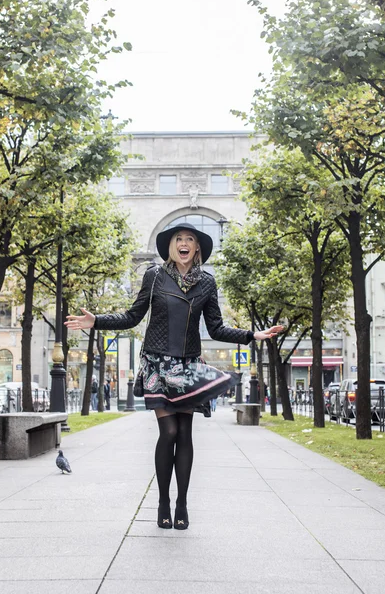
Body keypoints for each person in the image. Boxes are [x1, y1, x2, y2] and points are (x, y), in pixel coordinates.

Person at [65, 222, 283, 530]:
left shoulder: (207, 283)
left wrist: (252, 335)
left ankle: (181, 503)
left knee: (185, 434)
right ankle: (163, 502)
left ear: (196, 249)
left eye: (189, 239)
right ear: (172, 246)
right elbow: (132, 316)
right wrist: (96, 320)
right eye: (178, 239)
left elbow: (217, 327)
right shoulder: (154, 276)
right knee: (167, 433)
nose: (183, 243)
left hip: (188, 367)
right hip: (157, 365)